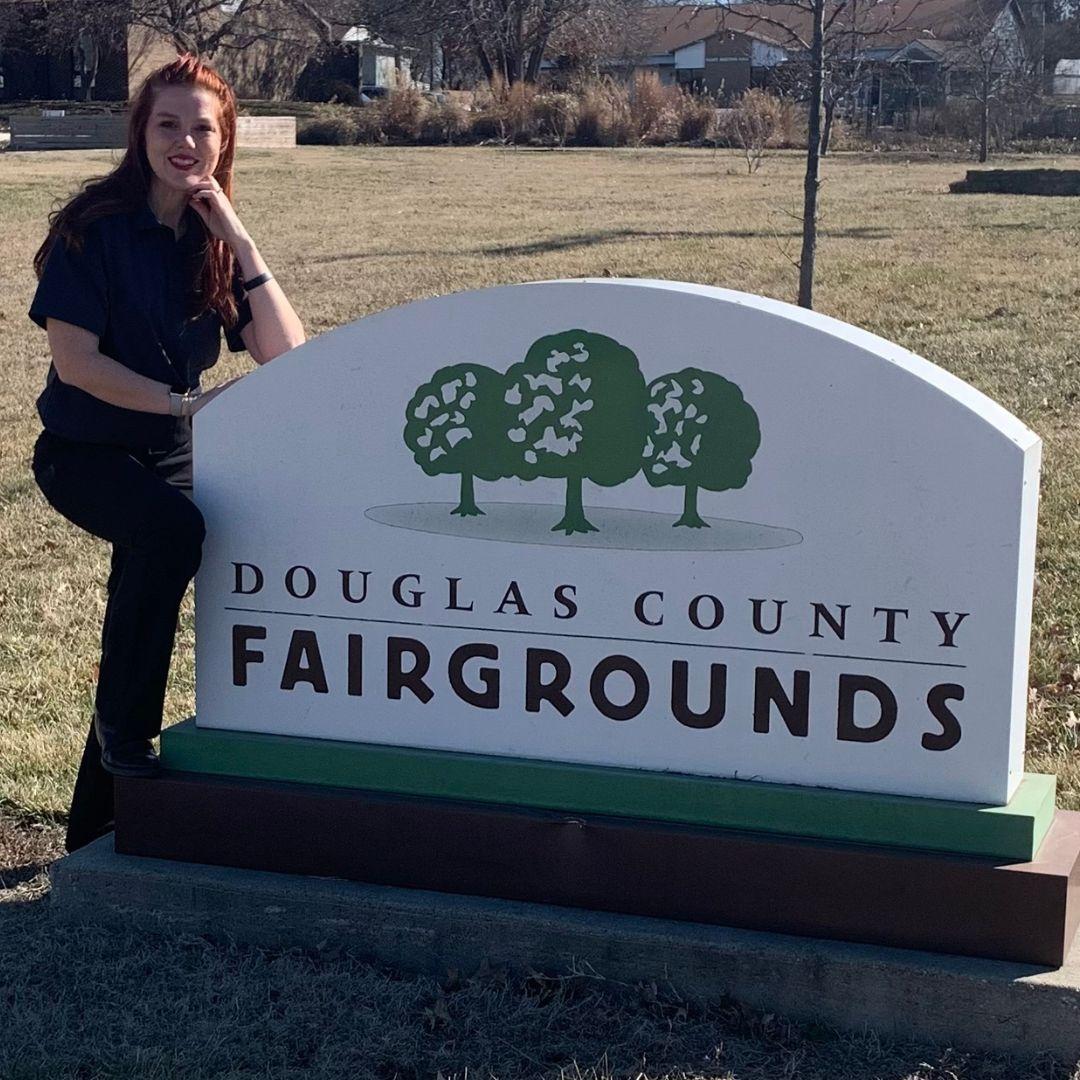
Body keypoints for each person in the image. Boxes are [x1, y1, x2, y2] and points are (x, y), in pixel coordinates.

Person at [28, 54, 305, 854]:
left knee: (139, 617)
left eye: (203, 129)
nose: (185, 142)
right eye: (168, 124)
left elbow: (286, 357)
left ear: (225, 141)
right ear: (140, 131)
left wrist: (242, 240)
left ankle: (95, 825)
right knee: (172, 533)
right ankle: (130, 736)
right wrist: (182, 404)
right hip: (84, 451)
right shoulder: (92, 226)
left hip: (171, 456)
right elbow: (77, 363)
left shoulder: (212, 241)